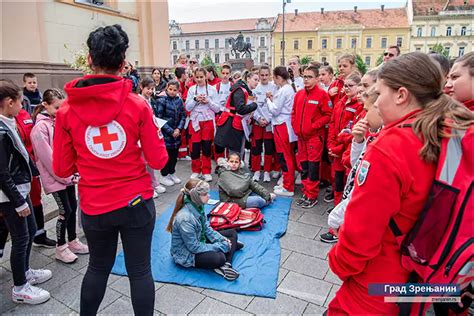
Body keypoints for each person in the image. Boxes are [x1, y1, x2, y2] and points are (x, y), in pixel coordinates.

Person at [327, 52, 473, 314]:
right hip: (429, 273)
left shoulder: (390, 148)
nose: (376, 102)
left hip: (380, 280)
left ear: (401, 95)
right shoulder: (450, 130)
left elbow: (361, 237)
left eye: (380, 93)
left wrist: (337, 261)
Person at [52, 25, 168, 315]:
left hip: (95, 205)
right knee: (140, 271)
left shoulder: (65, 111)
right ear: (123, 61)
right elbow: (158, 161)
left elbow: (62, 167)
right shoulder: (138, 105)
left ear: (90, 60)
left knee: (98, 267)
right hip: (136, 202)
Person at [0, 79, 52, 305]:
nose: (24, 107)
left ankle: (25, 271)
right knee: (20, 238)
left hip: (21, 190)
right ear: (10, 103)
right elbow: (2, 173)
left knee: (30, 231)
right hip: (12, 196)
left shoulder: (8, 122)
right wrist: (18, 201)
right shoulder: (0, 131)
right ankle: (20, 287)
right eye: (21, 103)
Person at [30, 89, 88, 263]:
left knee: (73, 206)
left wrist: (73, 172)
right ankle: (60, 247)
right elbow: (48, 159)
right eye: (56, 108)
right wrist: (66, 176)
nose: (60, 111)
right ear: (45, 105)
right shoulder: (40, 128)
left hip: (67, 176)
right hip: (56, 178)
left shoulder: (57, 121)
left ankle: (72, 240)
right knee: (65, 211)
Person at [320, 87, 382, 243]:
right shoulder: (375, 132)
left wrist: (336, 217)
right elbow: (358, 164)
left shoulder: (384, 140)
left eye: (367, 110)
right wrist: (359, 140)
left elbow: (364, 185)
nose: (365, 116)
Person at [167, 179, 241, 281]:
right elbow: (194, 247)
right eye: (205, 194)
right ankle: (228, 252)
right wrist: (220, 245)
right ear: (196, 196)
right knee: (219, 258)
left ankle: (226, 264)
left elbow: (207, 229)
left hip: (198, 239)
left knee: (232, 233)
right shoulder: (185, 218)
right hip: (186, 254)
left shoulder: (198, 206)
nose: (209, 196)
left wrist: (221, 239)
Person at [292, 66, 332, 208]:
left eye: (309, 77)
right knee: (304, 166)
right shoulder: (299, 94)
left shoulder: (322, 95)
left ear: (316, 79)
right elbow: (294, 112)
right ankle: (306, 191)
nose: (306, 80)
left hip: (315, 137)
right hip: (301, 137)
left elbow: (328, 115)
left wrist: (313, 126)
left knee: (313, 166)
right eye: (305, 77)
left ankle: (312, 195)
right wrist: (295, 126)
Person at [15, 104, 55, 248]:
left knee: (36, 201)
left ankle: (39, 236)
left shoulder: (24, 115)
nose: (21, 104)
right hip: (13, 172)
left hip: (31, 168)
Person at [326, 72, 363, 206]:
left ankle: (343, 208)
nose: (346, 88)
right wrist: (330, 146)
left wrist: (338, 149)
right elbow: (332, 124)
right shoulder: (340, 102)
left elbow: (354, 133)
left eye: (350, 86)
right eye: (345, 86)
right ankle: (337, 206)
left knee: (346, 180)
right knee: (337, 180)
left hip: (346, 151)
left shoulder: (358, 106)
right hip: (335, 149)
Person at [185, 67, 220, 182]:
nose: (199, 79)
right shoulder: (191, 89)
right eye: (197, 77)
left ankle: (206, 171)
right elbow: (187, 107)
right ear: (194, 77)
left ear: (206, 76)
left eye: (201, 77)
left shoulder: (212, 90)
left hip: (208, 121)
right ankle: (196, 170)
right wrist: (195, 99)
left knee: (206, 147)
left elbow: (217, 108)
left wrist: (208, 101)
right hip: (195, 121)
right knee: (194, 148)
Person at [267, 66, 297, 197]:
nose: (273, 80)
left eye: (274, 77)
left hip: (282, 124)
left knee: (285, 156)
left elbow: (275, 110)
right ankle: (286, 182)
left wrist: (268, 100)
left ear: (279, 78)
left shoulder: (284, 90)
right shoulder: (287, 89)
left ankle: (288, 186)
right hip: (284, 124)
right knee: (286, 155)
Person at [215, 70, 259, 156]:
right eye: (255, 79)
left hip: (237, 123)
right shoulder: (240, 90)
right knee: (234, 153)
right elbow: (240, 109)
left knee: (237, 151)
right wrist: (254, 105)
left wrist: (249, 116)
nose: (257, 82)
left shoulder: (247, 91)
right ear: (248, 79)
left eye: (258, 80)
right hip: (231, 124)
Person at [250, 65, 279, 183]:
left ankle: (267, 171)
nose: (264, 77)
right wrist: (258, 119)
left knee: (268, 148)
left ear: (270, 75)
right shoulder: (253, 90)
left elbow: (276, 105)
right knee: (256, 148)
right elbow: (252, 107)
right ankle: (257, 170)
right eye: (262, 75)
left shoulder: (275, 88)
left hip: (269, 123)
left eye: (266, 75)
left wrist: (268, 119)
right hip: (258, 123)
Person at [154, 80, 186, 186]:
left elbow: (183, 115)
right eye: (170, 89)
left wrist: (178, 129)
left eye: (174, 90)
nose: (172, 92)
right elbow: (159, 118)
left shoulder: (179, 101)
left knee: (174, 155)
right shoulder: (162, 100)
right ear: (167, 88)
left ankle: (172, 172)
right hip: (166, 134)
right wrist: (171, 131)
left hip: (176, 133)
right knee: (166, 156)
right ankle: (164, 175)